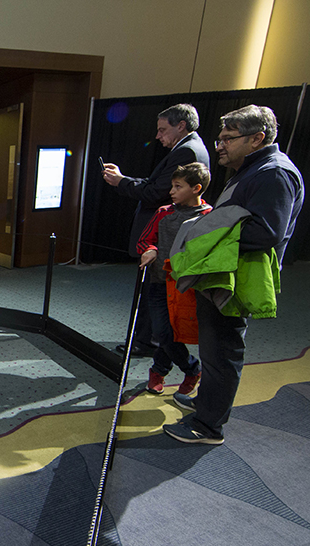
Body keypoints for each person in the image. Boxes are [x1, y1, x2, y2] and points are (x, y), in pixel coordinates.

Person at [163, 105, 304, 444]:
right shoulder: (253, 168)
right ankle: (207, 405)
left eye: (229, 138)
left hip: (236, 279)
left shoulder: (274, 174)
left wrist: (207, 231)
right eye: (220, 138)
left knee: (223, 351)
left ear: (257, 138)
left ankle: (207, 427)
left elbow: (265, 232)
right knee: (213, 350)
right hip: (221, 274)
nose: (220, 145)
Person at [102, 104, 210, 357]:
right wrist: (124, 180)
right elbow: (156, 185)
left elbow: (156, 193)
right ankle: (148, 339)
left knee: (153, 293)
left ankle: (147, 342)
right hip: (167, 235)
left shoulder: (187, 152)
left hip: (164, 237)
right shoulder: (189, 148)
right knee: (154, 292)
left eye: (163, 130)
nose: (159, 136)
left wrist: (121, 183)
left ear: (181, 125)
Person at [136, 163, 211, 396]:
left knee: (173, 333)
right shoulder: (164, 212)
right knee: (163, 332)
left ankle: (158, 370)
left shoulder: (209, 217)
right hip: (160, 283)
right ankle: (191, 368)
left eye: (178, 187)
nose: (172, 191)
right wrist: (150, 249)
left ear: (196, 188)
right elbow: (144, 240)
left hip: (187, 287)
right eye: (172, 186)